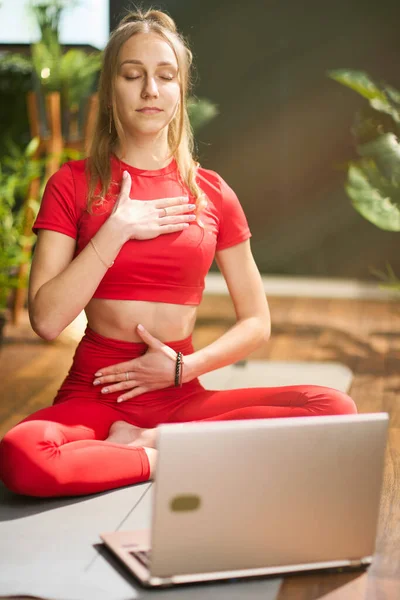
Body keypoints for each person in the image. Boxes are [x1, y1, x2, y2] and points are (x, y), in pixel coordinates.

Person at [0, 9, 357, 498]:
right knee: (23, 456)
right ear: (111, 91)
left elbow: (256, 321)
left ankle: (147, 443)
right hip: (98, 391)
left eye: (165, 76)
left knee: (334, 408)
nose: (150, 89)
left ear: (179, 92)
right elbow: (46, 320)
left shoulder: (213, 193)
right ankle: (162, 455)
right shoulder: (72, 185)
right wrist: (117, 229)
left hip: (180, 390)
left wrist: (183, 369)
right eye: (133, 75)